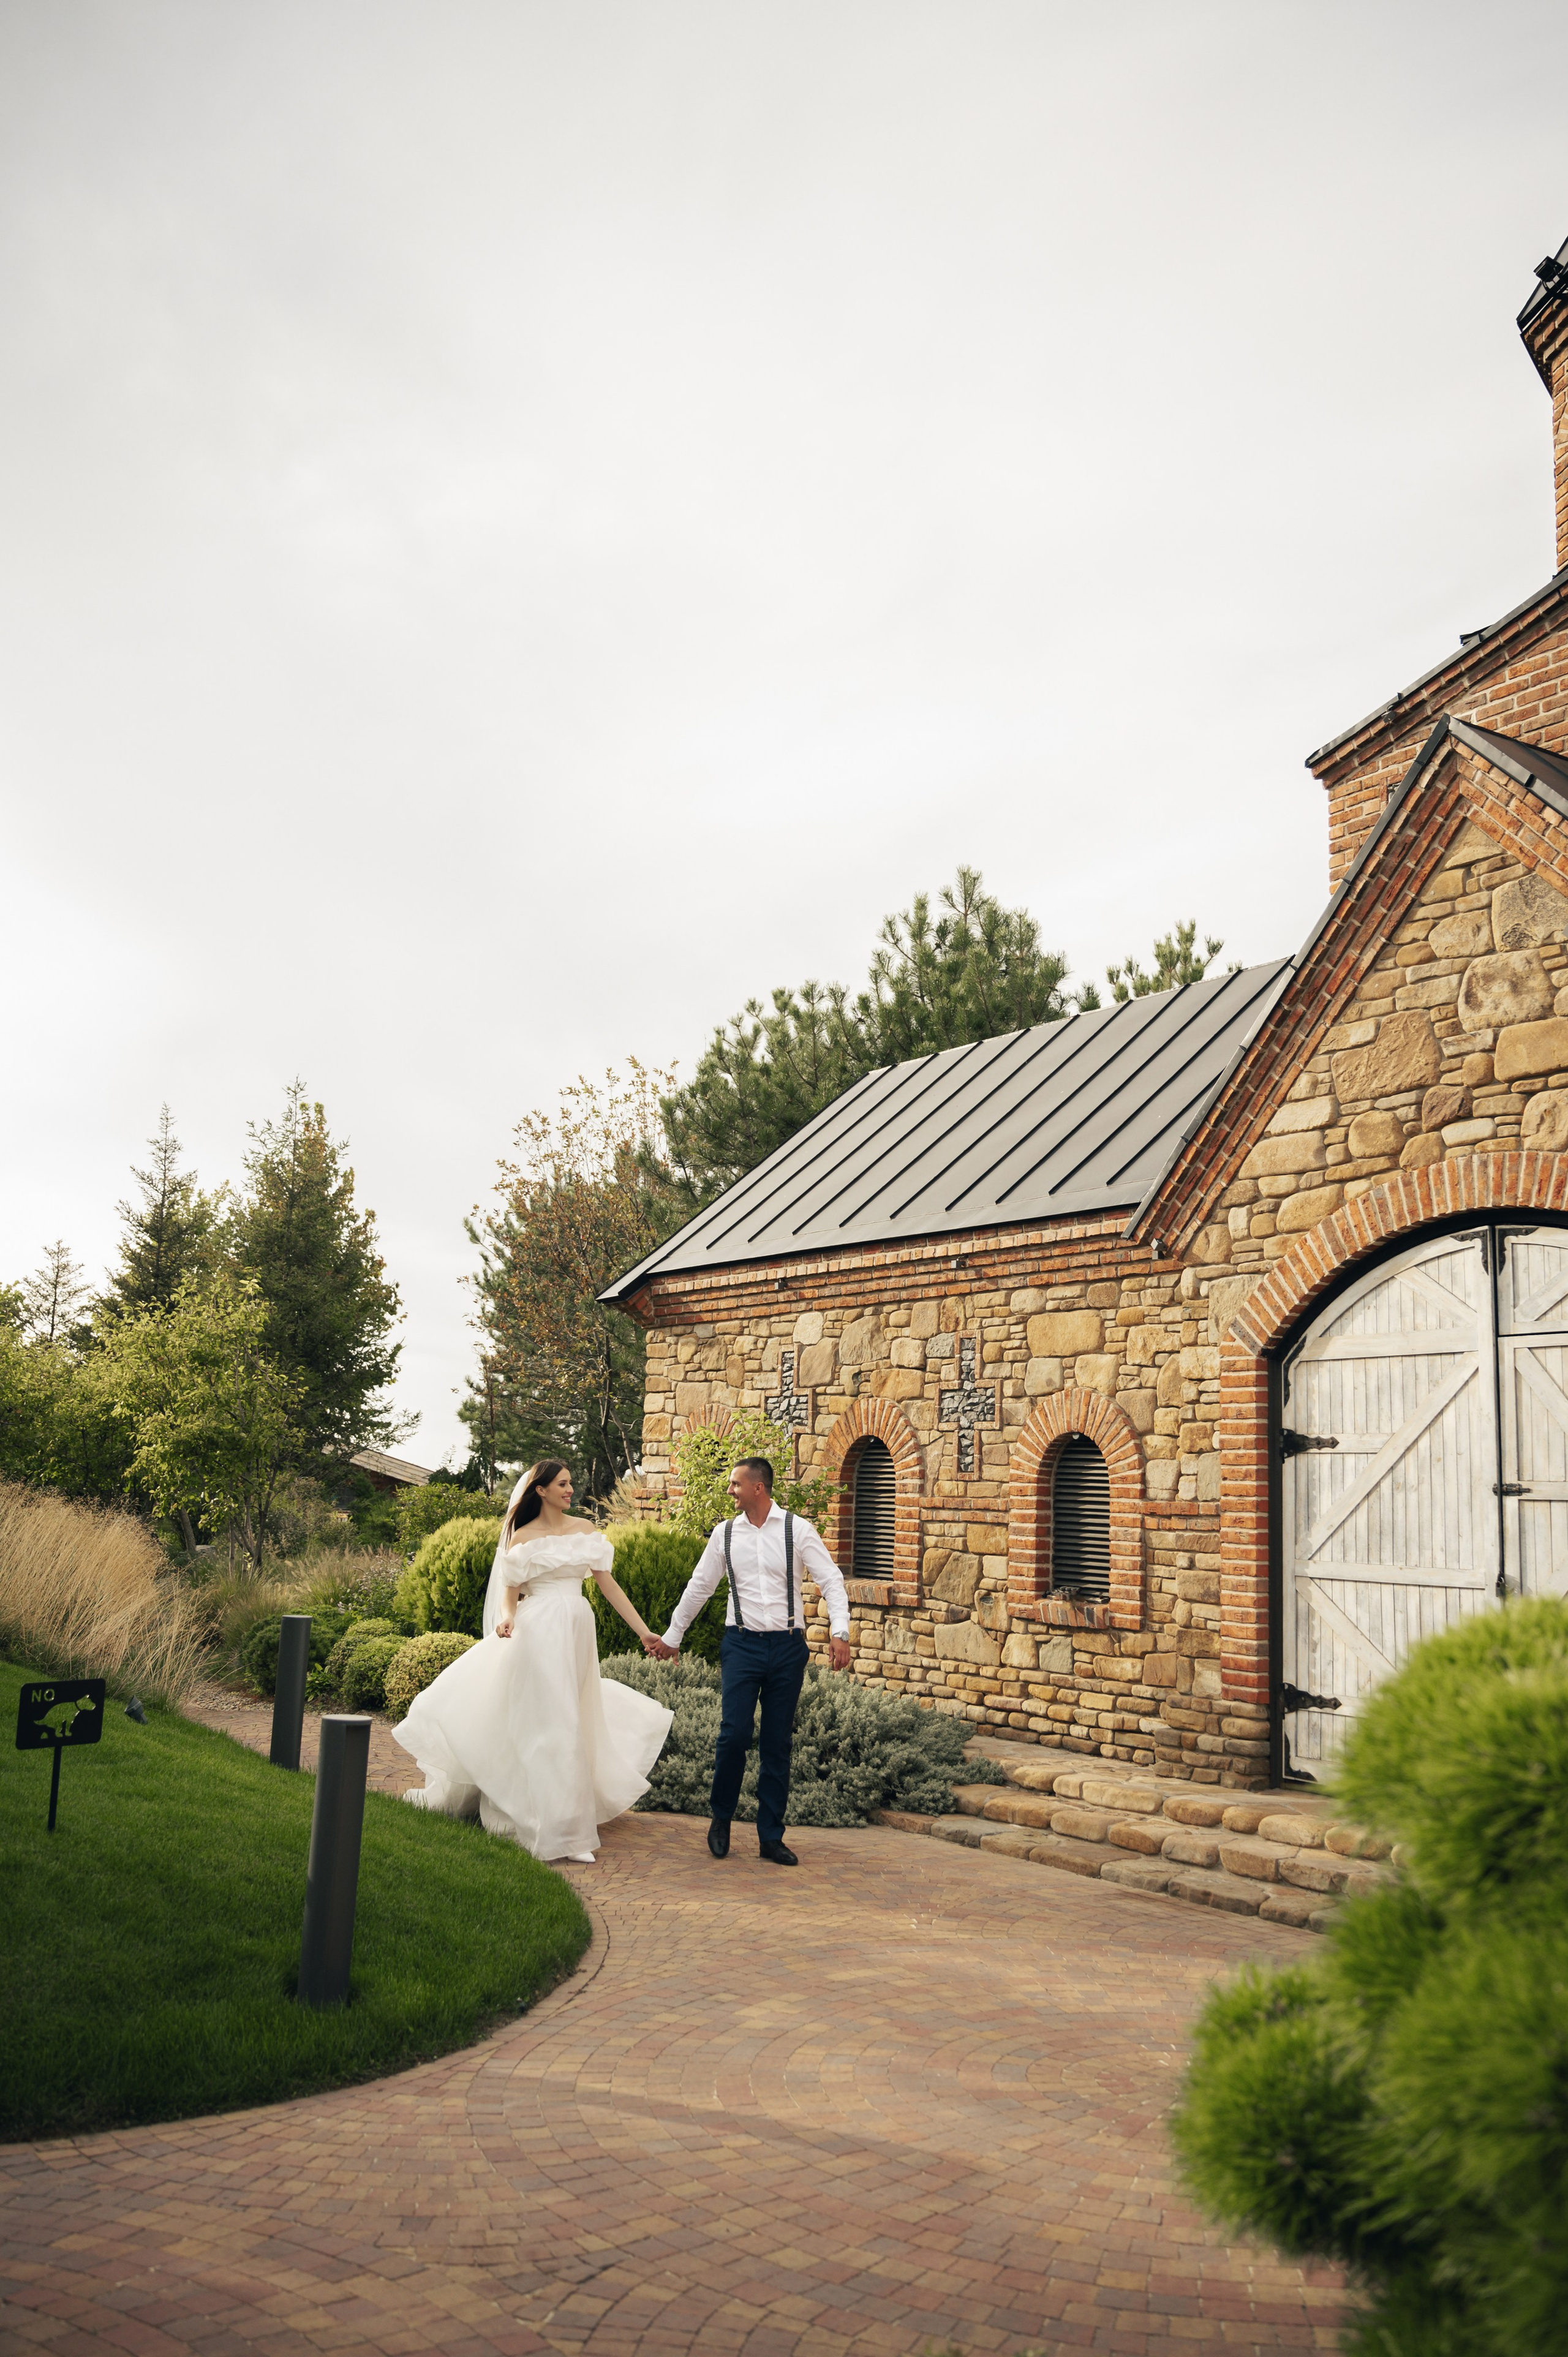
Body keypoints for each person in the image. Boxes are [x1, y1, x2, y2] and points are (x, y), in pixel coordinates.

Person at [393, 1460, 673, 1863]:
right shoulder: (522, 1536)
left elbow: (609, 1587)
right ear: (540, 1490)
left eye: (571, 1483)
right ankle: (562, 1831)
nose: (570, 1489)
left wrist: (644, 1631)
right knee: (553, 1721)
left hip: (576, 1632)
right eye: (562, 1483)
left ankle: (564, 1818)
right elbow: (511, 1590)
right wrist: (508, 1618)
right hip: (538, 1631)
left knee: (572, 1717)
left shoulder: (586, 1531)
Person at [648, 1455, 852, 1866]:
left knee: (777, 1743)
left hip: (787, 1648)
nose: (730, 1491)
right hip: (741, 1646)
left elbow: (831, 1579)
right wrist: (673, 1636)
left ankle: (770, 1838)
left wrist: (840, 1632)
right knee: (733, 1735)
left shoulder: (798, 1530)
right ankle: (721, 1819)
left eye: (735, 1484)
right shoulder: (725, 1535)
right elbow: (700, 1586)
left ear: (758, 1487)